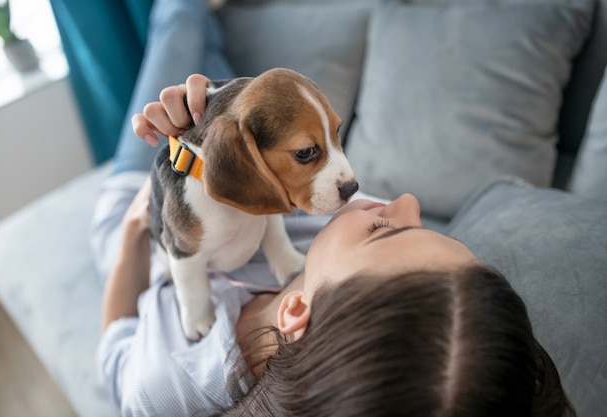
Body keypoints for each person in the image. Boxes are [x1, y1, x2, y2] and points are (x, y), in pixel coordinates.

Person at [92, 69, 576, 416]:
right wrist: (209, 106)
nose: (406, 202)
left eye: (385, 230)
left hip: (132, 227)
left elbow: (114, 351)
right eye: (428, 229)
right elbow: (252, 127)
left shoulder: (163, 388)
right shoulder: (344, 219)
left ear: (297, 310)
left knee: (174, 26)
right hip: (193, 156)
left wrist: (137, 230)